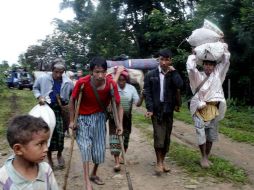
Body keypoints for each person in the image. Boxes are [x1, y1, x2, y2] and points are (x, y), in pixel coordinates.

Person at [69, 56, 123, 190]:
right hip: (83, 119)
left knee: (99, 151)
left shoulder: (111, 84)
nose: (100, 75)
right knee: (86, 148)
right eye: (97, 72)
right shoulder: (82, 82)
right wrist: (71, 121)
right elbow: (72, 100)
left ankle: (94, 173)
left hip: (100, 119)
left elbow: (118, 105)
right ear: (91, 71)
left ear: (106, 71)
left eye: (103, 72)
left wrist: (119, 124)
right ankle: (87, 181)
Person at [186, 50, 230, 168]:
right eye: (206, 64)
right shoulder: (198, 76)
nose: (208, 67)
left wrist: (224, 48)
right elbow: (190, 68)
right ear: (203, 65)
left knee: (210, 135)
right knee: (201, 133)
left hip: (214, 108)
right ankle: (203, 157)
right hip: (199, 109)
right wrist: (194, 55)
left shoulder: (218, 75)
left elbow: (225, 61)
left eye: (211, 65)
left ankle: (206, 156)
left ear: (214, 66)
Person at [143, 49, 183, 175]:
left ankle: (162, 161)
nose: (164, 62)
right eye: (162, 59)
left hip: (169, 110)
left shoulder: (173, 74)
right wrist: (149, 109)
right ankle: (159, 162)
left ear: (170, 61)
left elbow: (180, 85)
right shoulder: (151, 75)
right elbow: (147, 93)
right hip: (156, 110)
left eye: (167, 59)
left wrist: (175, 72)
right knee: (158, 137)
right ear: (158, 60)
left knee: (166, 138)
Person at [33, 58, 74, 169]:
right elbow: (35, 88)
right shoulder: (43, 78)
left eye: (61, 72)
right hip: (47, 109)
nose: (58, 74)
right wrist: (39, 96)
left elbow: (72, 95)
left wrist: (68, 105)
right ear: (52, 70)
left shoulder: (68, 82)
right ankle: (50, 158)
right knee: (48, 134)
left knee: (60, 134)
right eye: (56, 72)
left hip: (60, 110)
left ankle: (59, 154)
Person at [0, 115, 59, 189]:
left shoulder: (46, 170)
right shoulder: (3, 179)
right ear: (18, 149)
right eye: (40, 144)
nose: (46, 149)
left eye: (46, 143)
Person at [109, 66, 144, 172]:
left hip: (127, 117)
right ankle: (116, 161)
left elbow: (137, 104)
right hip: (114, 116)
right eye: (119, 80)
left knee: (126, 138)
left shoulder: (131, 88)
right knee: (114, 137)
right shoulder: (113, 87)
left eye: (123, 80)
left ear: (126, 80)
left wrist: (142, 96)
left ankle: (122, 155)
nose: (121, 82)